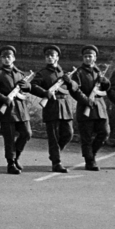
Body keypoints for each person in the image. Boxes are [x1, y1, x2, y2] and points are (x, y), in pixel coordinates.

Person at [0, 45, 35, 175]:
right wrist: (4, 99)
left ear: (13, 58)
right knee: (9, 139)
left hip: (21, 110)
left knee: (27, 133)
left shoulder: (19, 73)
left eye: (9, 57)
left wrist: (28, 86)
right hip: (7, 111)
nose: (6, 59)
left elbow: (26, 90)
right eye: (4, 57)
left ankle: (16, 157)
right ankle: (11, 163)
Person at [29, 45, 76, 174]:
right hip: (51, 107)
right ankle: (57, 162)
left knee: (68, 133)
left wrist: (70, 82)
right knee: (54, 137)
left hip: (65, 107)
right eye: (47, 56)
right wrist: (45, 93)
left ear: (57, 57)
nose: (49, 58)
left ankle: (54, 154)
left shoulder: (63, 73)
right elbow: (32, 86)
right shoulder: (42, 73)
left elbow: (75, 88)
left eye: (52, 55)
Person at [69, 45, 112, 172]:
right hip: (85, 108)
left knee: (105, 132)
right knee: (86, 137)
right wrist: (86, 100)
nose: (88, 58)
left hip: (99, 108)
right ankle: (90, 161)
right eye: (85, 56)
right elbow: (75, 90)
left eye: (90, 56)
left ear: (95, 58)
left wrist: (105, 82)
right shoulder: (78, 73)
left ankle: (91, 154)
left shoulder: (98, 72)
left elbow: (106, 89)